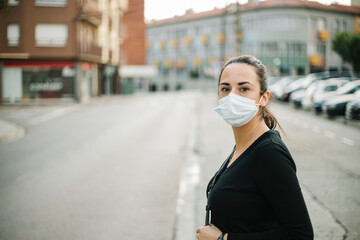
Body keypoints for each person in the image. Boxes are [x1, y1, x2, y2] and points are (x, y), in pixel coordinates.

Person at [196, 55, 313, 240]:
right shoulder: (244, 146)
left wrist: (223, 238)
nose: (232, 96)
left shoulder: (270, 154)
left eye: (243, 88)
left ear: (263, 98)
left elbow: (300, 235)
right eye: (225, 89)